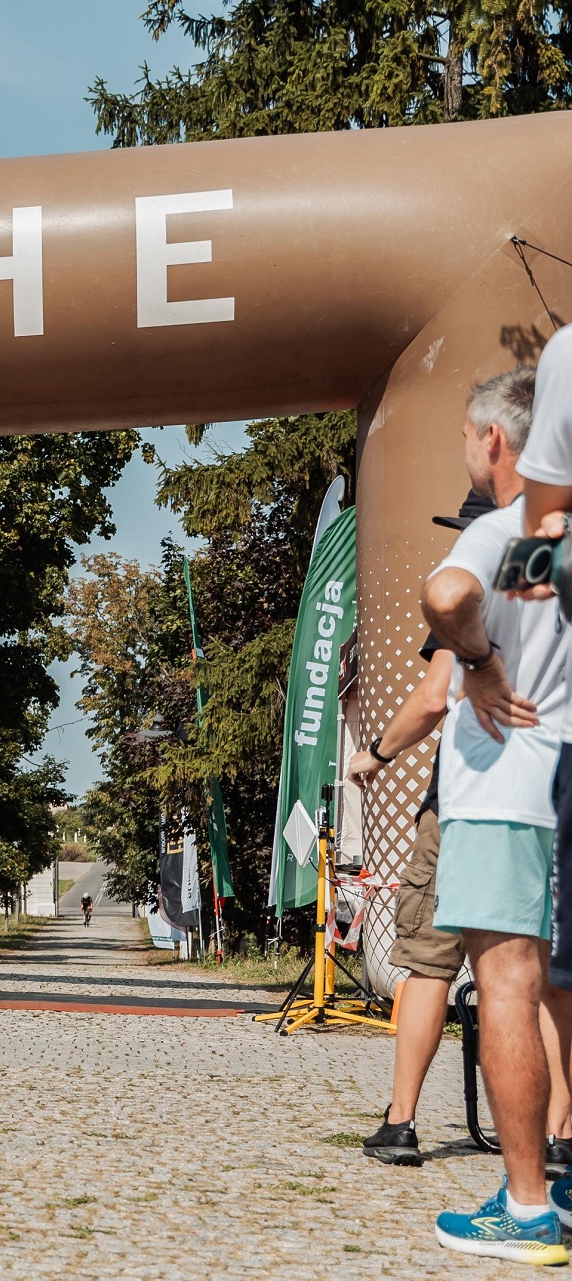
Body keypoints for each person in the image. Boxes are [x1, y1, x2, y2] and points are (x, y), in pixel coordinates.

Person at [421, 365, 572, 1261]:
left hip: (510, 780)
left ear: (494, 442)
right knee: (559, 984)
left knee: (508, 986)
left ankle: (524, 1210)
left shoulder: (509, 532)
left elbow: (446, 598)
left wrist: (474, 656)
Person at [347, 492, 485, 1166]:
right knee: (531, 973)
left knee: (430, 961)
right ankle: (559, 1136)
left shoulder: (473, 581)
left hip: (464, 798)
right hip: (547, 795)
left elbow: (435, 695)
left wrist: (373, 755)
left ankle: (401, 1122)